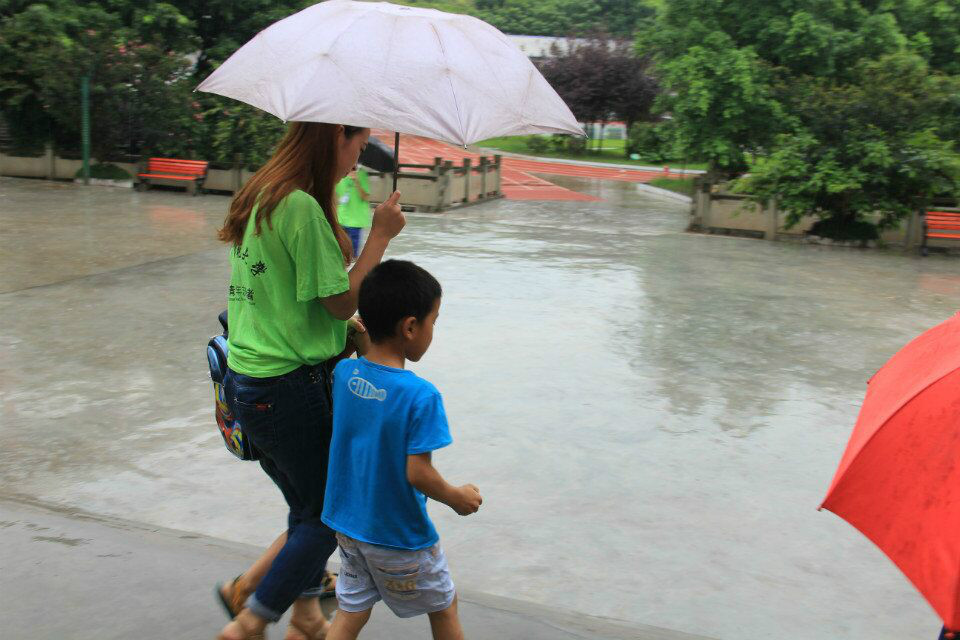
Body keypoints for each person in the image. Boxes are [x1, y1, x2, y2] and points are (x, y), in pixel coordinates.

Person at [215, 121, 405, 640]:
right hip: (287, 388)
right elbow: (340, 300)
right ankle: (251, 621)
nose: (356, 162)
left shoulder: (263, 192)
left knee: (305, 508)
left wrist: (341, 330)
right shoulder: (299, 205)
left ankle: (302, 613)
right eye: (358, 148)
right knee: (327, 516)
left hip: (248, 380)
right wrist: (381, 238)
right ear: (333, 137)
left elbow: (284, 297)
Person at [321, 260, 483, 640]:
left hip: (347, 525)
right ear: (410, 327)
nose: (433, 330)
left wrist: (361, 340)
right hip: (398, 534)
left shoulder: (346, 374)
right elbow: (418, 473)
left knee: (351, 610)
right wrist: (457, 497)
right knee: (444, 606)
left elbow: (371, 379)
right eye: (434, 321)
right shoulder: (420, 395)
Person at [335, 167, 372, 258]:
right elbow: (334, 196)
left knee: (352, 255)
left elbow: (365, 197)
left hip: (355, 221)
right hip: (340, 219)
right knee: (339, 253)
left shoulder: (362, 174)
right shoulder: (339, 173)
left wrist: (356, 181)